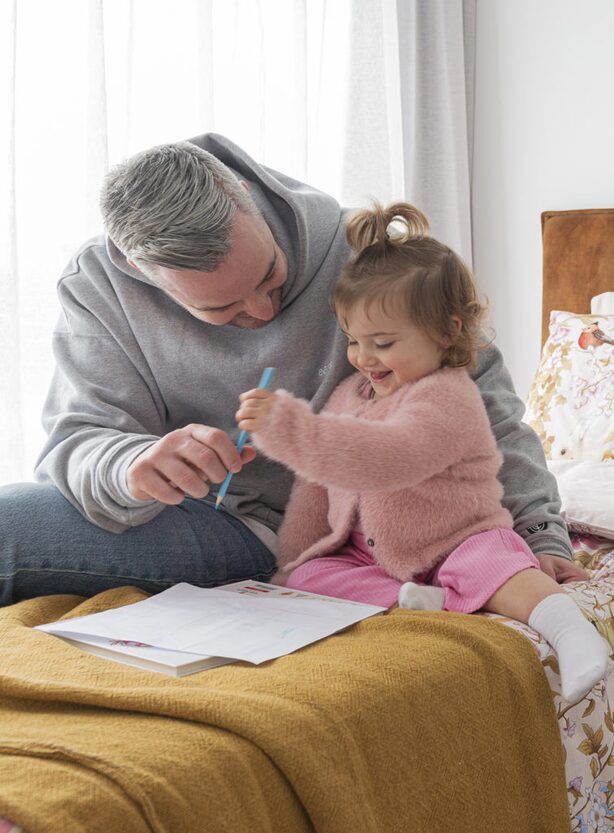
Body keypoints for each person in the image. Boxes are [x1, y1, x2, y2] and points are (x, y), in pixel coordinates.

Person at [0, 134, 586, 607]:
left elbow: (480, 406)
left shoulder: (370, 253)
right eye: (219, 309)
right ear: (137, 267)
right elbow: (78, 440)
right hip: (205, 520)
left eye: (270, 277)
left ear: (247, 195)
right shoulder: (97, 287)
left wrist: (538, 531)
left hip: (343, 538)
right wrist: (132, 466)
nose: (261, 311)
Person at [236, 201, 609, 703]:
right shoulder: (352, 394)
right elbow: (316, 489)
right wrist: (294, 559)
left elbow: (388, 455)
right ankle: (420, 602)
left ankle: (570, 631)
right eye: (353, 341)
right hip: (377, 555)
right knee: (311, 575)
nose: (364, 358)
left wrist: (288, 428)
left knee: (502, 561)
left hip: (455, 539)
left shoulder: (447, 394)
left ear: (448, 331)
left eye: (383, 343)